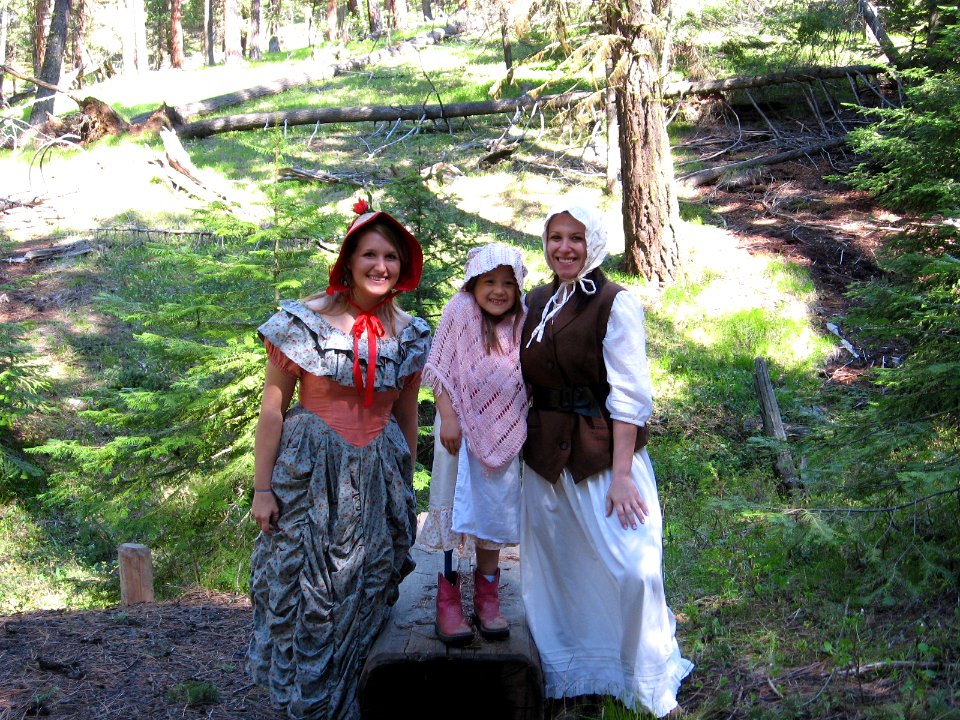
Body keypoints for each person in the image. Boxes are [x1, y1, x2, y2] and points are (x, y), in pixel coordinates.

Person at [247, 199, 431, 720]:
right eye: (369, 255)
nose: (380, 266)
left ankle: (357, 703)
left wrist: (405, 482)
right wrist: (263, 489)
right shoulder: (301, 323)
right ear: (348, 261)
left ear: (403, 266)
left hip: (377, 474)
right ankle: (309, 707)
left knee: (371, 588)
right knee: (306, 596)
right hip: (311, 476)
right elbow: (273, 413)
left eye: (391, 257)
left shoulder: (412, 333)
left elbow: (406, 416)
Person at [519, 202, 693, 717]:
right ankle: (574, 675)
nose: (564, 248)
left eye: (575, 237)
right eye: (555, 238)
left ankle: (645, 681)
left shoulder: (616, 303)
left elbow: (630, 396)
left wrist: (621, 475)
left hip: (602, 457)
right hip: (546, 460)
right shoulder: (535, 300)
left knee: (634, 568)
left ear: (593, 242)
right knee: (561, 570)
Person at [418, 242, 528, 645]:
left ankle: (487, 597)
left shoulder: (522, 320)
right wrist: (447, 417)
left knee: (492, 516)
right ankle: (448, 600)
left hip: (505, 435)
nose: (498, 291)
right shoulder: (459, 311)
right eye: (489, 282)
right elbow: (440, 368)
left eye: (507, 284)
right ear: (473, 282)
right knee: (454, 510)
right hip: (459, 434)